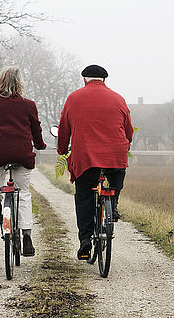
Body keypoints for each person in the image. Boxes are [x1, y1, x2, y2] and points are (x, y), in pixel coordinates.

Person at [56, 64, 133, 260]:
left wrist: (62, 150)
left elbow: (64, 128)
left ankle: (85, 242)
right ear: (105, 80)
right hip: (115, 155)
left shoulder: (74, 98)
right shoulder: (118, 98)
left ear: (84, 79)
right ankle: (112, 205)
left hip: (86, 158)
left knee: (84, 196)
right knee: (117, 176)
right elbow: (128, 130)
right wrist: (126, 145)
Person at [0, 66, 46, 257]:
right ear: (20, 83)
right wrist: (40, 145)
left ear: (1, 82)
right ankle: (26, 237)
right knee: (23, 193)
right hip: (21, 154)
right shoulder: (29, 105)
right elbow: (36, 130)